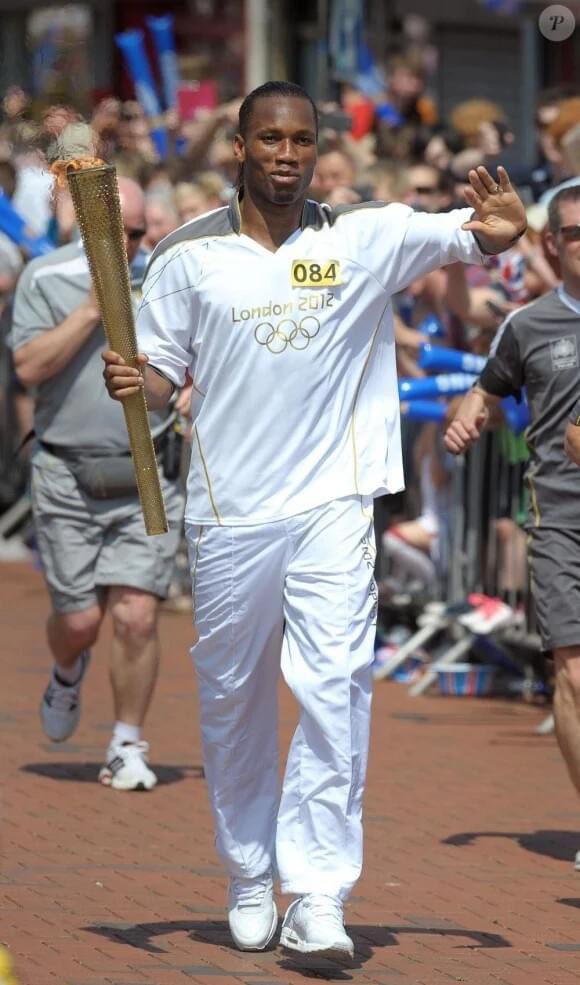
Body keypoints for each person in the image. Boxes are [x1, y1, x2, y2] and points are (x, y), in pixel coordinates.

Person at [103, 81, 526, 957]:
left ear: (315, 146)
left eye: (300, 140)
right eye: (269, 140)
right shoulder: (187, 257)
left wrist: (502, 227)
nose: (286, 156)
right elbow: (156, 375)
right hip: (230, 512)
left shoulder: (365, 236)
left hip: (334, 502)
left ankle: (320, 891)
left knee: (334, 687)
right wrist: (132, 382)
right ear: (240, 148)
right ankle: (250, 870)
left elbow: (473, 234)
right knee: (233, 696)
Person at [10, 177, 183, 792]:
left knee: (136, 614)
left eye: (139, 232)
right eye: (118, 233)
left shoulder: (166, 281)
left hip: (146, 470)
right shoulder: (46, 278)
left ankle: (127, 742)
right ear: (89, 229)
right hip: (65, 473)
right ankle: (66, 669)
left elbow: (197, 356)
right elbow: (28, 367)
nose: (132, 244)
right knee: (81, 622)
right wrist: (91, 309)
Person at [445, 181, 580, 870]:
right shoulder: (528, 325)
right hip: (562, 521)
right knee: (573, 673)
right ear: (552, 243)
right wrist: (471, 411)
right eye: (576, 232)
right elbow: (488, 386)